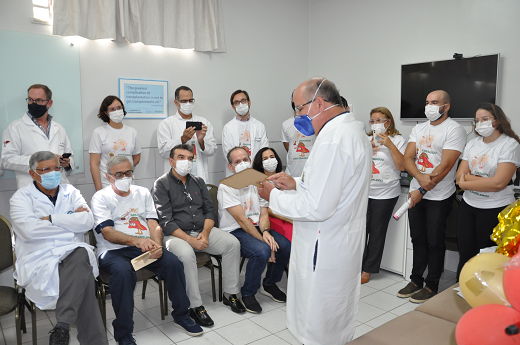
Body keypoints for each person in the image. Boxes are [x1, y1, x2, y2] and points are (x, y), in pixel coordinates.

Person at [258, 77, 372, 345]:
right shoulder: (350, 131)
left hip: (325, 242)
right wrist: (295, 182)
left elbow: (316, 206)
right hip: (340, 237)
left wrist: (272, 195)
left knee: (317, 318)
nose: (297, 116)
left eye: (298, 108)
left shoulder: (334, 140)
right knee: (335, 315)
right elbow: (333, 185)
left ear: (319, 103)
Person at [91, 156, 203, 345]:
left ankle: (182, 316)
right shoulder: (101, 197)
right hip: (113, 251)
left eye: (128, 172)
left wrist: (157, 245)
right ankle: (123, 332)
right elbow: (108, 233)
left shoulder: (142, 192)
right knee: (123, 273)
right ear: (108, 176)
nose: (124, 177)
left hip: (145, 248)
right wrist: (138, 241)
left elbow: (153, 223)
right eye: (119, 174)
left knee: (173, 263)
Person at [10, 151, 107, 345]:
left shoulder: (71, 191)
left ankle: (62, 327)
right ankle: (78, 333)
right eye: (45, 169)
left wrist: (51, 219)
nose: (53, 173)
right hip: (39, 258)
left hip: (72, 252)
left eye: (56, 168)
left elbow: (87, 221)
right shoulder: (20, 198)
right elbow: (29, 231)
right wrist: (71, 222)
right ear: (32, 174)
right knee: (83, 275)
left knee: (79, 254)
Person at [151, 144, 244, 327]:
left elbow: (210, 211)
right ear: (171, 161)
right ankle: (195, 306)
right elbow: (166, 222)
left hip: (201, 230)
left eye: (190, 158)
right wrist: (190, 240)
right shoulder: (161, 184)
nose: (186, 162)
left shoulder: (198, 181)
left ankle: (231, 294)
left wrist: (205, 233)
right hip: (175, 235)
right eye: (181, 157)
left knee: (232, 244)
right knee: (186, 254)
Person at [398, 90, 466, 303]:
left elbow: (445, 166)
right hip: (417, 192)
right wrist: (419, 180)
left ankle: (431, 285)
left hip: (439, 195)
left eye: (434, 102)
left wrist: (424, 188)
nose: (429, 106)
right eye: (427, 102)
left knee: (435, 241)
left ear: (446, 106)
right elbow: (408, 158)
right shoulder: (418, 128)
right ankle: (416, 279)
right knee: (417, 238)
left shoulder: (455, 129)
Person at [218, 147, 291, 313]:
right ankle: (248, 293)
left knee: (285, 245)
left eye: (245, 160)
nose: (242, 164)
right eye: (237, 162)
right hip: (235, 229)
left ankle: (269, 284)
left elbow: (264, 215)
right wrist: (263, 241)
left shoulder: (260, 182)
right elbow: (242, 221)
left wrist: (265, 232)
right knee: (262, 251)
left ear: (250, 161)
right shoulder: (226, 187)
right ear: (230, 167)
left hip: (257, 226)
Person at [456, 103, 520, 277]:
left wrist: (466, 181)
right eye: (477, 120)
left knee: (487, 259)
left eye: (485, 119)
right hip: (468, 206)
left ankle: (484, 299)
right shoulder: (473, 143)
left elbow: (499, 183)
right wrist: (484, 181)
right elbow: (459, 176)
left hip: (495, 209)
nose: (480, 123)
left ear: (497, 121)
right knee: (466, 256)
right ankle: (462, 296)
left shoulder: (509, 144)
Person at [361, 107, 407, 284]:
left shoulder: (398, 139)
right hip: (365, 192)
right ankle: (356, 265)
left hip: (386, 193)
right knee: (360, 230)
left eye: (379, 120)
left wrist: (389, 145)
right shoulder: (366, 138)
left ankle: (368, 269)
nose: (375, 124)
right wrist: (367, 148)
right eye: (372, 121)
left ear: (388, 122)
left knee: (377, 232)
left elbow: (402, 166)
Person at [2, 84, 74, 189]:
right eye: (31, 100)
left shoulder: (59, 128)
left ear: (49, 103)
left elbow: (70, 156)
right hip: (32, 190)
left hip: (61, 188)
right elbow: (7, 160)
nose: (34, 104)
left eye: (39, 100)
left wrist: (67, 163)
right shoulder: (15, 128)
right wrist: (41, 162)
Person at [157, 86, 217, 182]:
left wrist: (201, 141)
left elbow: (212, 150)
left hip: (199, 175)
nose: (188, 104)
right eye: (184, 101)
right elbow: (163, 152)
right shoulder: (166, 124)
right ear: (176, 102)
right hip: (176, 177)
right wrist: (182, 139)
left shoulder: (203, 122)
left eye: (190, 100)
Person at [89, 95, 141, 190]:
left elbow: (137, 156)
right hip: (107, 184)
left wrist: (124, 170)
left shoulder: (132, 131)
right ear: (106, 112)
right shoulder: (99, 132)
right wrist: (99, 189)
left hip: (128, 182)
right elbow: (94, 164)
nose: (116, 111)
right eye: (112, 109)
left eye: (119, 108)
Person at [222, 89, 269, 177]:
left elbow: (264, 150)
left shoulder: (259, 126)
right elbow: (227, 154)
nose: (240, 104)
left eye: (243, 101)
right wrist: (242, 167)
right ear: (233, 106)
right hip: (236, 174)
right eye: (236, 102)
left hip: (256, 172)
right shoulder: (228, 128)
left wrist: (252, 168)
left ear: (249, 102)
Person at [252, 147, 294, 241]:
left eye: (272, 157)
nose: (269, 160)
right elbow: (266, 209)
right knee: (289, 230)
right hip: (271, 217)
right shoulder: (259, 183)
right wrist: (288, 219)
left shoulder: (285, 178)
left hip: (290, 214)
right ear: (261, 164)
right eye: (265, 159)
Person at [281, 94, 315, 177]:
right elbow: (288, 147)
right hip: (292, 173)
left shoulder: (315, 122)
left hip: (311, 172)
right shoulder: (286, 124)